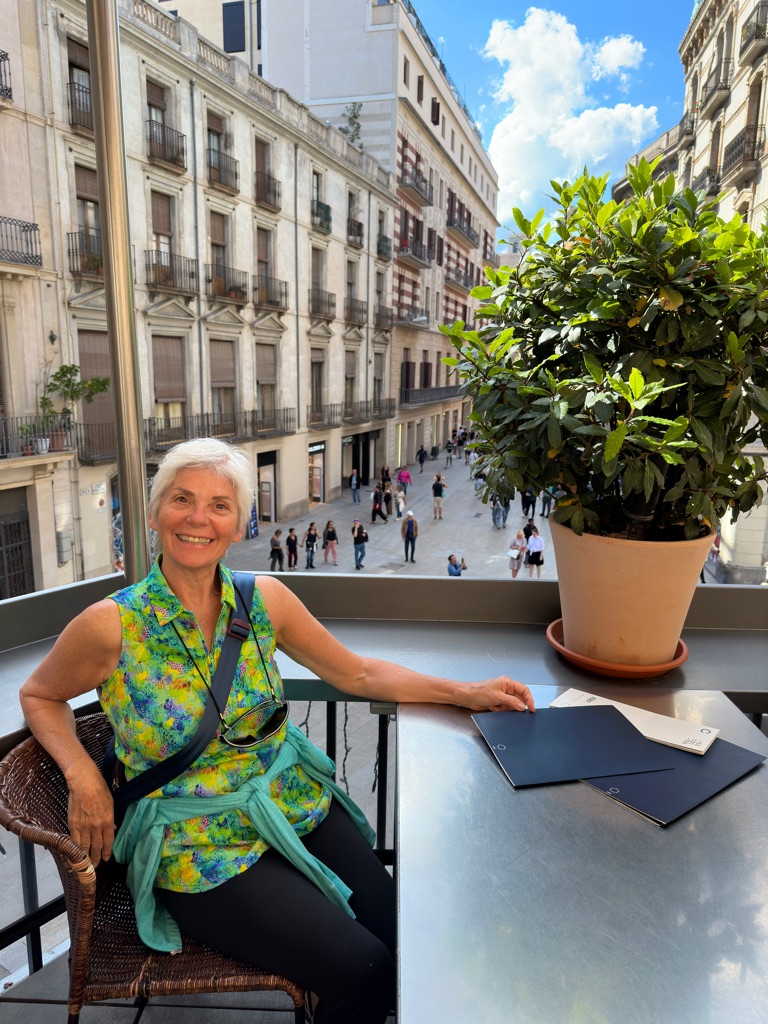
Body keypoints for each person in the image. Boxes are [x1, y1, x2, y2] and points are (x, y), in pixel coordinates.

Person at [18, 439, 534, 1024]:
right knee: (364, 969)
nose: (198, 518)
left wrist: (464, 692)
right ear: (154, 513)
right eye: (182, 500)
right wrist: (83, 774)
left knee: (408, 941)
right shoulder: (112, 624)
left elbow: (357, 673)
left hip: (289, 801)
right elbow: (40, 694)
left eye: (219, 505)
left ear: (240, 522)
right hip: (196, 841)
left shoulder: (264, 600)